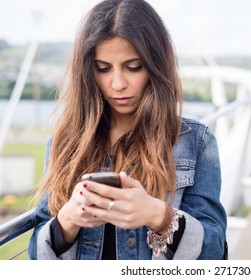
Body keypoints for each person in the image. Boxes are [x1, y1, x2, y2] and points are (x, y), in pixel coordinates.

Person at [28, 0, 227, 260]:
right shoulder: (63, 145)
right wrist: (67, 220)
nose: (118, 84)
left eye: (133, 67)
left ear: (156, 66)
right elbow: (36, 254)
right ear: (88, 71)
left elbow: (214, 250)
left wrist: (159, 216)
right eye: (103, 69)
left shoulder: (195, 142)